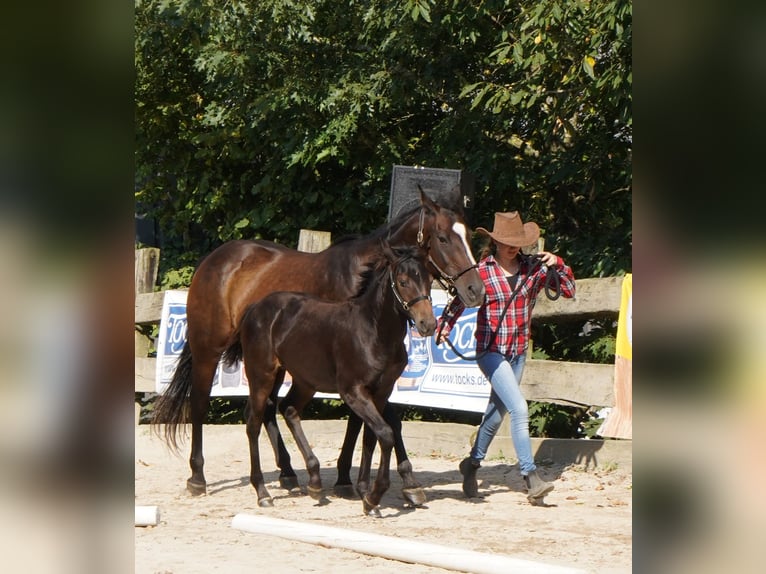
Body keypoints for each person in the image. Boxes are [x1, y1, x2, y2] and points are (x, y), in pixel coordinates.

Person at [435, 211, 576, 503]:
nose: (513, 247)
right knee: (520, 409)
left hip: (518, 353)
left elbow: (568, 290)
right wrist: (444, 327)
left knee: (496, 415)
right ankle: (531, 477)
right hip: (490, 351)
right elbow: (460, 300)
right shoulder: (482, 271)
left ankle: (471, 464)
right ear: (495, 242)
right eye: (507, 241)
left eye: (517, 242)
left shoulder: (533, 269)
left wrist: (558, 264)